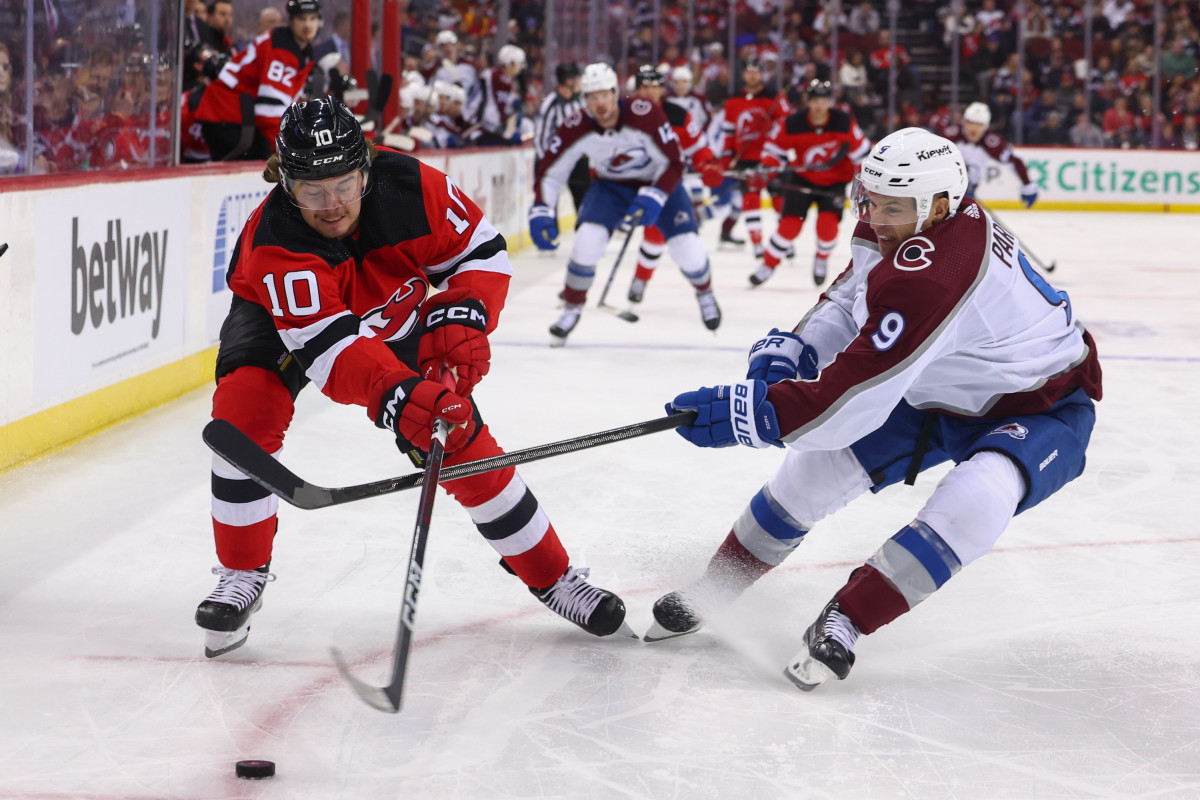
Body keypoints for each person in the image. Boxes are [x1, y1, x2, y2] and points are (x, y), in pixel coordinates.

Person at [646, 127, 1102, 690]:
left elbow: (844, 406)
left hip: (1041, 403)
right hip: (938, 383)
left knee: (978, 499)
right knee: (808, 477)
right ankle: (715, 588)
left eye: (893, 208)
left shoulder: (939, 272)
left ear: (940, 207)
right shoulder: (905, 214)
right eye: (871, 201)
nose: (878, 218)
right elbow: (852, 292)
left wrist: (753, 415)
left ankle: (849, 619)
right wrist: (801, 345)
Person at [196, 97, 632, 658]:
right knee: (243, 416)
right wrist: (397, 395)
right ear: (286, 184)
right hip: (280, 324)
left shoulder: (412, 187)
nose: (332, 205)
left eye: (345, 184)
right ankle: (241, 574)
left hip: (389, 304)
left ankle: (555, 578)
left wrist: (465, 309)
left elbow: (483, 253)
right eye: (311, 190)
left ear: (366, 168)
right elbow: (331, 353)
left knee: (457, 434)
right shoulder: (276, 244)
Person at [529, 62, 717, 344]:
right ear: (585, 100)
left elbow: (673, 162)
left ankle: (705, 293)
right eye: (592, 97)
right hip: (611, 186)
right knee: (586, 242)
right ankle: (571, 308)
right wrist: (542, 208)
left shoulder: (647, 114)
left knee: (687, 248)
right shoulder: (574, 126)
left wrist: (655, 195)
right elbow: (550, 172)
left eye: (605, 95)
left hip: (658, 181)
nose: (600, 103)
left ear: (616, 93)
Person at [624, 64, 724, 328]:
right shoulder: (620, 115)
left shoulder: (677, 115)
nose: (649, 92)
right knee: (651, 235)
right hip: (630, 186)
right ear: (636, 90)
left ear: (661, 89)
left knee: (687, 245)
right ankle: (640, 278)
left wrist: (708, 165)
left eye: (654, 86)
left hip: (668, 186)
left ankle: (705, 293)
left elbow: (699, 148)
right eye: (643, 86)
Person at [750, 79, 870, 288]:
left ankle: (822, 257)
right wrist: (767, 168)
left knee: (827, 226)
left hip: (833, 184)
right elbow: (773, 151)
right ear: (808, 101)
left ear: (830, 102)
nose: (819, 106)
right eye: (815, 100)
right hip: (801, 180)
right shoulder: (793, 123)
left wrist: (866, 184)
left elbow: (862, 156)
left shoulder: (843, 122)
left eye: (824, 100)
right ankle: (768, 264)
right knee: (789, 226)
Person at [194, 0, 321, 161]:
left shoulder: (297, 48)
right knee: (268, 167)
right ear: (291, 21)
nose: (308, 25)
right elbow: (269, 113)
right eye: (302, 19)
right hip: (227, 116)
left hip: (233, 116)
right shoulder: (282, 49)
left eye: (313, 19)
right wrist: (295, 151)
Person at [715, 57, 791, 259]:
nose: (752, 75)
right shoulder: (733, 101)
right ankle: (757, 244)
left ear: (762, 74)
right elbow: (729, 132)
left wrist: (772, 124)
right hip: (746, 159)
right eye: (749, 71)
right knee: (750, 198)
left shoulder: (775, 98)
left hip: (771, 157)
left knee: (778, 199)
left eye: (756, 71)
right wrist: (726, 157)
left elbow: (788, 126)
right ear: (743, 75)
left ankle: (785, 241)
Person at [941, 102, 1039, 207]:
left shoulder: (992, 142)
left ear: (986, 126)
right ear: (963, 122)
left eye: (979, 124)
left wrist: (1027, 185)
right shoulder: (950, 135)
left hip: (969, 190)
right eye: (970, 123)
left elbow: (1015, 161)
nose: (974, 129)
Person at [533, 62, 589, 214]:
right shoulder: (549, 105)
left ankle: (585, 235)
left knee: (584, 203)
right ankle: (551, 237)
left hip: (577, 161)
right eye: (578, 78)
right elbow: (540, 139)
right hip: (553, 161)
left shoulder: (581, 101)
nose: (581, 81)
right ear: (569, 81)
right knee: (548, 206)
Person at [468, 44, 529, 146]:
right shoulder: (496, 77)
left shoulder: (500, 77)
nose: (521, 68)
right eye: (520, 64)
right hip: (481, 130)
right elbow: (492, 112)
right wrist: (505, 133)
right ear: (512, 63)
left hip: (486, 129)